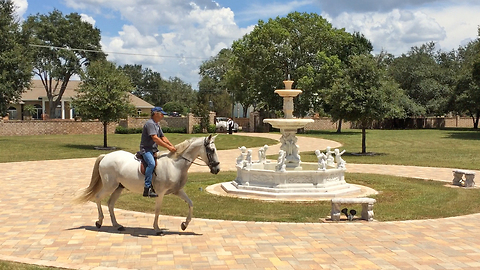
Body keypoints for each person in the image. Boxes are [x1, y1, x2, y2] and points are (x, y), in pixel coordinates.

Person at [140, 107, 177, 197]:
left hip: (154, 150)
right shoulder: (150, 124)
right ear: (156, 114)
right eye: (161, 114)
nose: (163, 116)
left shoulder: (157, 124)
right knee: (151, 164)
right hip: (146, 149)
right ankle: (147, 188)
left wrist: (172, 146)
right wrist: (168, 147)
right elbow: (155, 138)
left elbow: (163, 137)